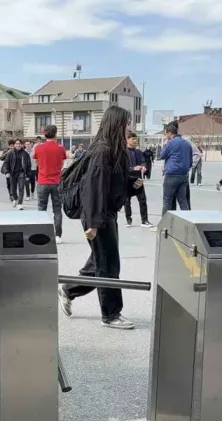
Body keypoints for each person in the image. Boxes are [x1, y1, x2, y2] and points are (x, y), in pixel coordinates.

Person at [58, 105, 134, 330]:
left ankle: (69, 289)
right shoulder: (102, 151)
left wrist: (132, 185)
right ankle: (110, 314)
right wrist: (93, 223)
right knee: (108, 264)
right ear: (116, 124)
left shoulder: (114, 149)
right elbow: (94, 189)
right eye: (127, 123)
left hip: (106, 213)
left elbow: (113, 184)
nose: (129, 127)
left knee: (99, 261)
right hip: (97, 215)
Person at [34, 125, 67, 242]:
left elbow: (37, 162)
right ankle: (58, 235)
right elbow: (62, 163)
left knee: (41, 208)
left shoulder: (39, 147)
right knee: (57, 209)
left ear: (44, 134)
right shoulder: (60, 148)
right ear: (55, 134)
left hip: (42, 181)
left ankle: (41, 234)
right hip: (56, 181)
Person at [158, 122, 192, 215]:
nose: (166, 136)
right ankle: (187, 220)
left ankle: (165, 222)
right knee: (183, 201)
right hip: (184, 175)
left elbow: (161, 155)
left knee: (167, 201)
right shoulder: (187, 143)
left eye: (166, 134)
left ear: (169, 133)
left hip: (172, 175)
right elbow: (190, 162)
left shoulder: (171, 143)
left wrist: (165, 144)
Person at [124, 132, 151, 227]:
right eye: (132, 139)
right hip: (127, 179)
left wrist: (143, 167)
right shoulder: (123, 153)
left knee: (142, 200)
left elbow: (143, 162)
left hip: (138, 179)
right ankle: (128, 219)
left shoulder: (139, 152)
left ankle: (144, 220)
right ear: (127, 140)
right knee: (127, 201)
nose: (135, 141)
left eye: (136, 139)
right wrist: (133, 168)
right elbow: (122, 166)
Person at [2, 139, 31, 209]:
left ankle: (20, 203)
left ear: (22, 145)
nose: (18, 145)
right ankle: (15, 199)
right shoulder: (10, 153)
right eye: (16, 144)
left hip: (21, 173)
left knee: (21, 188)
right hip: (12, 173)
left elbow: (28, 165)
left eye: (19, 144)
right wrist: (6, 172)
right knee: (13, 189)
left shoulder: (25, 154)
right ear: (14, 145)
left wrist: (28, 175)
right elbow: (6, 163)